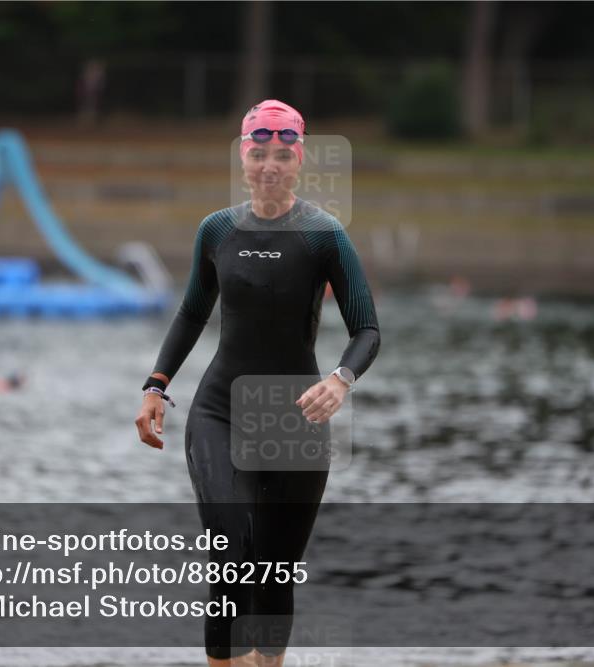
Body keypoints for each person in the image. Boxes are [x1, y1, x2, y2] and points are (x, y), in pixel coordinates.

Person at [135, 99, 381, 667]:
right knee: (231, 554)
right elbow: (193, 312)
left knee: (274, 572)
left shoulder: (324, 236)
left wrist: (341, 380)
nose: (269, 164)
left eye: (282, 153)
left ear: (299, 160)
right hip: (221, 410)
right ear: (243, 159)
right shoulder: (217, 230)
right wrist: (156, 386)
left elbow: (366, 328)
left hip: (296, 419)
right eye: (258, 152)